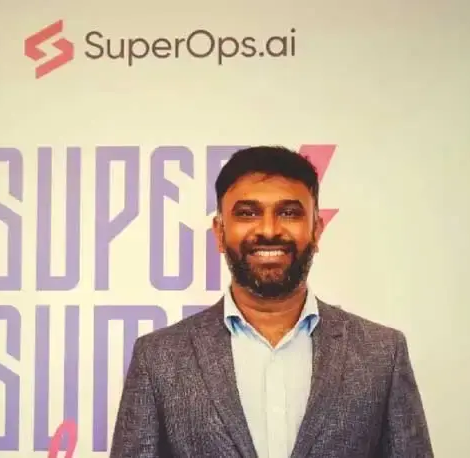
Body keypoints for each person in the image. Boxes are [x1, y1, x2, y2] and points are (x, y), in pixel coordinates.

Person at [109, 145, 433, 458]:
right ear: (219, 233)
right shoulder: (159, 358)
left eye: (289, 213)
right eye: (247, 213)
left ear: (316, 230)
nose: (268, 230)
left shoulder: (382, 354)